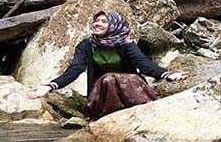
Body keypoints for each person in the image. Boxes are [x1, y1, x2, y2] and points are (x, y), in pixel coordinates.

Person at [28, 10, 186, 119]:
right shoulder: (86, 45)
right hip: (102, 90)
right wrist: (49, 86)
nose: (97, 24)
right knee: (108, 79)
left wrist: (167, 74)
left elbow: (142, 63)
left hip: (130, 87)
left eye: (104, 21)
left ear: (114, 26)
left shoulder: (126, 44)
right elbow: (75, 70)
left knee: (118, 78)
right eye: (96, 20)